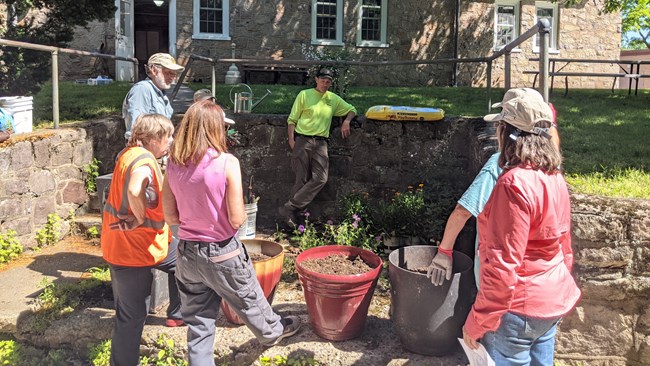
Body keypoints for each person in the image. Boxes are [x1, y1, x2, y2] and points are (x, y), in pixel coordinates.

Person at [162, 100, 301, 365]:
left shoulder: (173, 163)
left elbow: (170, 216)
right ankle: (273, 332)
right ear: (214, 129)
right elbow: (238, 218)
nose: (225, 133)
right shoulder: (227, 162)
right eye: (223, 127)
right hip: (221, 250)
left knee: (199, 325)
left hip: (187, 252)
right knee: (249, 298)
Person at [461, 88, 581, 365]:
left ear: (507, 133)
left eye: (500, 127)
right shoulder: (554, 178)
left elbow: (503, 264)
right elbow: (565, 247)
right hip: (552, 301)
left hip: (518, 309)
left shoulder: (513, 184)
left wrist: (478, 321)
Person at [427, 90, 560, 287]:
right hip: (549, 286)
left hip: (504, 289)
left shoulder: (500, 167)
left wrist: (444, 252)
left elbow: (463, 211)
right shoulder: (553, 174)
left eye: (499, 124)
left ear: (505, 131)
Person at [100, 114, 184, 366]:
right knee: (131, 317)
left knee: (184, 259)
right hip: (133, 252)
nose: (170, 140)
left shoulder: (127, 153)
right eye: (167, 136)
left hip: (142, 244)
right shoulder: (144, 160)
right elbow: (136, 188)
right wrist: (138, 217)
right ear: (151, 139)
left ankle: (178, 313)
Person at [278, 68, 357, 225]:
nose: (325, 83)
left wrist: (347, 121)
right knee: (301, 179)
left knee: (321, 178)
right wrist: (292, 140)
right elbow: (292, 119)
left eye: (328, 81)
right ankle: (295, 218)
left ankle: (290, 207)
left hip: (321, 142)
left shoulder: (332, 99)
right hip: (303, 140)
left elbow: (352, 110)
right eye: (322, 80)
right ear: (316, 79)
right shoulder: (304, 95)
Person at [122, 53, 185, 141]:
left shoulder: (161, 93)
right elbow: (137, 128)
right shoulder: (142, 89)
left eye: (174, 74)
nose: (172, 78)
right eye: (169, 72)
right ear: (154, 70)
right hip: (147, 150)